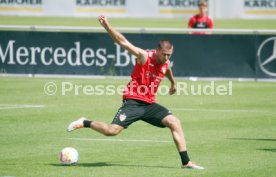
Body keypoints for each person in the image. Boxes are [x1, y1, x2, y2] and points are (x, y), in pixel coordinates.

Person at [67, 15, 204, 170]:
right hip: (133, 102)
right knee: (111, 131)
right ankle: (85, 122)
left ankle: (186, 162)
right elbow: (121, 41)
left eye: (169, 55)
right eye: (164, 54)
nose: (166, 57)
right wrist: (107, 25)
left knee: (174, 122)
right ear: (157, 50)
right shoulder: (144, 56)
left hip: (149, 105)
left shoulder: (165, 62)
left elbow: (167, 68)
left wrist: (173, 83)